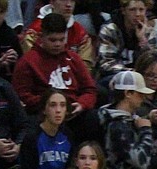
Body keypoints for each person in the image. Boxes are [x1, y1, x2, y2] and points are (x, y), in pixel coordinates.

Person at [12, 13, 99, 141]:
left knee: (92, 117)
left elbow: (89, 89)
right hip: (42, 114)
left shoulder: (73, 58)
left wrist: (81, 104)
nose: (58, 44)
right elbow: (21, 95)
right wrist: (49, 105)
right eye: (53, 40)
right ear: (41, 37)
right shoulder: (27, 61)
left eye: (62, 39)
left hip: (72, 112)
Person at [95, 0, 157, 96]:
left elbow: (155, 62)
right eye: (132, 10)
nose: (137, 14)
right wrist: (132, 73)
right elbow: (106, 63)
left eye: (141, 10)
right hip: (112, 75)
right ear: (124, 11)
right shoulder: (109, 29)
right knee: (128, 83)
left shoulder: (148, 31)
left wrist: (142, 41)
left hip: (141, 75)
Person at [21, 0, 96, 68]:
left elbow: (86, 65)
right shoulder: (34, 32)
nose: (69, 4)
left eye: (72, 0)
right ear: (52, 2)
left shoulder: (80, 32)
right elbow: (31, 64)